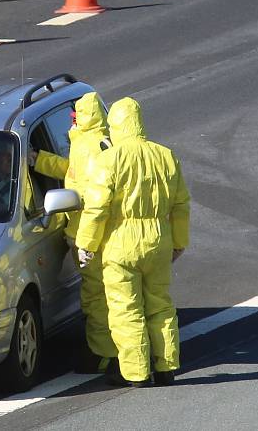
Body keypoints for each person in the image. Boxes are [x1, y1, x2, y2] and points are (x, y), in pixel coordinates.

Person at [75, 97, 190, 387]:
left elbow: (97, 207)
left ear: (114, 125)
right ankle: (166, 367)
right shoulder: (166, 155)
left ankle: (136, 373)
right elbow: (181, 204)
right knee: (160, 306)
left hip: (120, 243)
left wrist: (86, 245)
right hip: (159, 240)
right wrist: (179, 242)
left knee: (126, 308)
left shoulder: (109, 159)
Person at [30, 92, 118, 374]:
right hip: (107, 234)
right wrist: (39, 160)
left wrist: (85, 241)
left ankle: (103, 354)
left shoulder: (87, 147)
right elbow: (72, 172)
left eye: (75, 116)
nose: (72, 121)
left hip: (89, 234)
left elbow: (90, 196)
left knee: (96, 299)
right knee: (113, 296)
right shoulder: (99, 142)